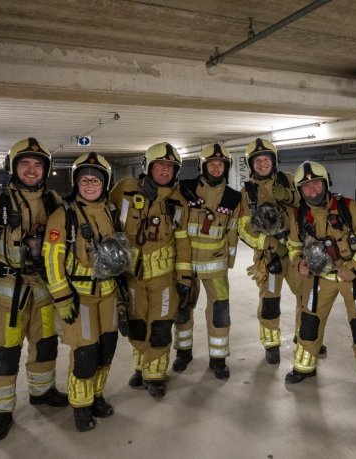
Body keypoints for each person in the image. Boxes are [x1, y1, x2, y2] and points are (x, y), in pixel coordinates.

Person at [0, 137, 67, 442]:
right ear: (13, 168)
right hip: (6, 297)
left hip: (44, 293)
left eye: (37, 165)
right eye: (25, 164)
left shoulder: (53, 202)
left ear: (45, 170)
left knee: (46, 344)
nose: (32, 170)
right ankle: (1, 412)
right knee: (5, 353)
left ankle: (42, 392)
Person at [284, 161, 356, 401]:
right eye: (306, 186)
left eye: (316, 183)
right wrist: (299, 262)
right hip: (319, 280)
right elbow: (293, 245)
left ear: (325, 183)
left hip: (353, 278)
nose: (312, 190)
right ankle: (304, 368)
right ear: (300, 191)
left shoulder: (349, 207)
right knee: (309, 325)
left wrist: (355, 267)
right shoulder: (299, 216)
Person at [43, 152, 125, 431]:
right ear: (76, 183)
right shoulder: (62, 216)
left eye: (96, 180)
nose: (90, 185)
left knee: (107, 350)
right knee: (85, 354)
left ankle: (97, 396)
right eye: (85, 180)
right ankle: (80, 406)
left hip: (110, 293)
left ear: (105, 183)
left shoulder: (111, 211)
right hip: (81, 299)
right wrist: (63, 297)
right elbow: (51, 261)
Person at [109, 142, 192, 398]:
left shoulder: (178, 202)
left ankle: (155, 376)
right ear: (148, 167)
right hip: (131, 277)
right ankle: (140, 367)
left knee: (159, 328)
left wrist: (184, 278)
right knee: (137, 326)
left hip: (163, 280)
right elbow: (102, 215)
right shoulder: (124, 190)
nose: (165, 170)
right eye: (160, 165)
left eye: (170, 166)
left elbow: (182, 241)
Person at [172, 144, 241, 379]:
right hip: (186, 265)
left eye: (220, 164)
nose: (216, 167)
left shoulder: (234, 198)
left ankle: (218, 358)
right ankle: (183, 352)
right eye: (211, 163)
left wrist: (229, 262)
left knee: (219, 312)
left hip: (216, 268)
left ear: (226, 167)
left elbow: (233, 232)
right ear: (203, 166)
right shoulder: (185, 189)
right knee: (182, 309)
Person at [237, 138, 301, 365]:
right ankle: (272, 344)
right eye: (258, 161)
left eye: (266, 159)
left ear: (274, 161)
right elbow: (244, 230)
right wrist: (272, 245)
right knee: (270, 300)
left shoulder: (290, 180)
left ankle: (305, 337)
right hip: (270, 256)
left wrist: (290, 196)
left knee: (305, 295)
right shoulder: (247, 193)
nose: (263, 164)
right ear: (251, 164)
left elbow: (312, 205)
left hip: (296, 253)